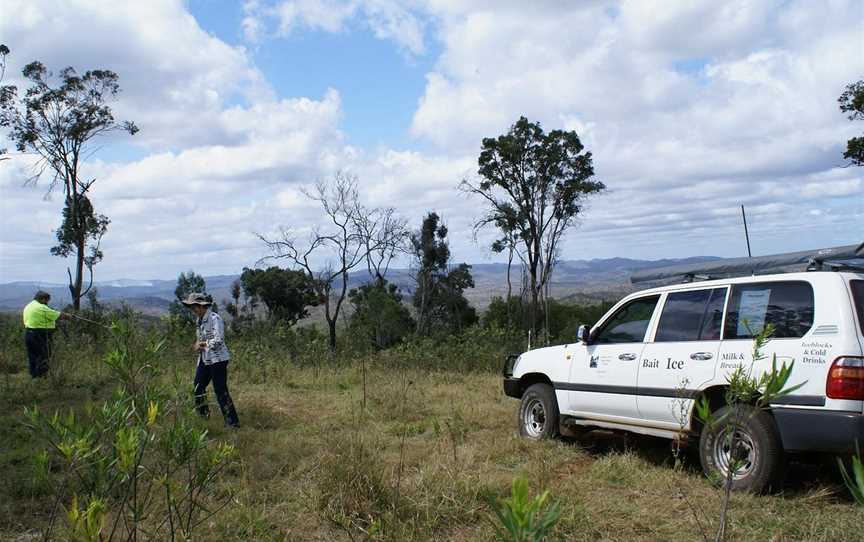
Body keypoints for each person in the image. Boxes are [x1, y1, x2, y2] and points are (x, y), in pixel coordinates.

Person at [183, 293, 240, 427]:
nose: (193, 310)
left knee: (220, 390)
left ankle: (232, 423)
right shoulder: (199, 320)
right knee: (198, 387)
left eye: (195, 307)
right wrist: (198, 344)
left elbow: (219, 340)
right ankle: (203, 416)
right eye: (192, 307)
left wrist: (202, 344)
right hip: (205, 359)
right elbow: (201, 338)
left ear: (202, 306)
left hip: (218, 359)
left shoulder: (215, 318)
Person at [22, 291, 69, 378]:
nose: (47, 303)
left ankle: (34, 377)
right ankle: (42, 377)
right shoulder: (41, 308)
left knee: (33, 357)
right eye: (47, 300)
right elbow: (58, 315)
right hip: (39, 335)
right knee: (44, 356)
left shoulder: (29, 306)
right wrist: (68, 316)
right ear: (43, 299)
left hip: (29, 334)